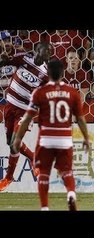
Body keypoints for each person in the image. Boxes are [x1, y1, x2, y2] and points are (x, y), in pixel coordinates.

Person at [12, 59, 90, 211]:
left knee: (44, 173)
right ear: (62, 74)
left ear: (48, 74)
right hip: (65, 138)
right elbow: (80, 118)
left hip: (46, 138)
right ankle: (71, 193)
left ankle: (45, 207)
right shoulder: (72, 92)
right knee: (67, 171)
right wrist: (86, 138)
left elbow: (27, 118)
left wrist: (18, 139)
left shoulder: (40, 92)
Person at [0, 42, 52, 192]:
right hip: (9, 105)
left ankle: (9, 177)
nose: (48, 54)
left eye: (50, 52)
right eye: (46, 51)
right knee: (11, 143)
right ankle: (31, 159)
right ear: (37, 51)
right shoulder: (24, 58)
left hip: (25, 110)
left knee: (15, 143)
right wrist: (4, 59)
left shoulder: (45, 74)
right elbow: (6, 62)